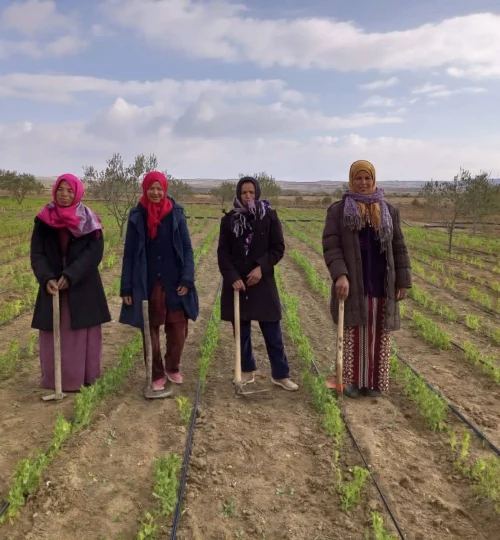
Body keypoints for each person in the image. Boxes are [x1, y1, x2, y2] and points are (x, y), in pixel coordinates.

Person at [322, 160, 412, 398]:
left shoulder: (389, 211)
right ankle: (352, 382)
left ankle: (374, 383)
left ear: (374, 180)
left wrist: (402, 281)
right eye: (359, 178)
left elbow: (399, 247)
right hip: (353, 283)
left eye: (367, 178)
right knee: (354, 332)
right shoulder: (338, 211)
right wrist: (340, 275)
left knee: (378, 335)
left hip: (381, 282)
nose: (363, 183)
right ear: (352, 180)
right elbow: (332, 246)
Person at [30, 173, 111, 392]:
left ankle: (83, 378)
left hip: (82, 283)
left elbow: (94, 252)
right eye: (60, 190)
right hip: (52, 284)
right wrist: (47, 277)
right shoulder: (44, 219)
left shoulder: (89, 220)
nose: (64, 195)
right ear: (54, 191)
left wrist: (72, 275)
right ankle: (55, 380)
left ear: (77, 193)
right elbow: (37, 253)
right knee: (55, 332)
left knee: (80, 333)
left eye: (70, 190)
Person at [119, 171, 198, 391]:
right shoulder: (137, 215)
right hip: (147, 281)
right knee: (149, 327)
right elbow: (129, 254)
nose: (155, 193)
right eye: (151, 188)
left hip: (174, 280)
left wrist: (187, 277)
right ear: (145, 189)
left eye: (159, 188)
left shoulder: (176, 213)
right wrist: (126, 286)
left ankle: (172, 367)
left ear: (165, 190)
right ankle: (155, 372)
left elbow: (187, 248)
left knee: (178, 327)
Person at [217, 176, 298, 391]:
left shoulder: (269, 217)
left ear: (258, 193)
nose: (248, 196)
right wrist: (232, 276)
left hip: (262, 280)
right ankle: (247, 371)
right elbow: (223, 253)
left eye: (251, 192)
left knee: (272, 329)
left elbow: (278, 248)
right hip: (238, 284)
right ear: (238, 194)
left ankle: (280, 374)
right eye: (244, 193)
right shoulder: (229, 220)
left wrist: (261, 267)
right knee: (241, 331)